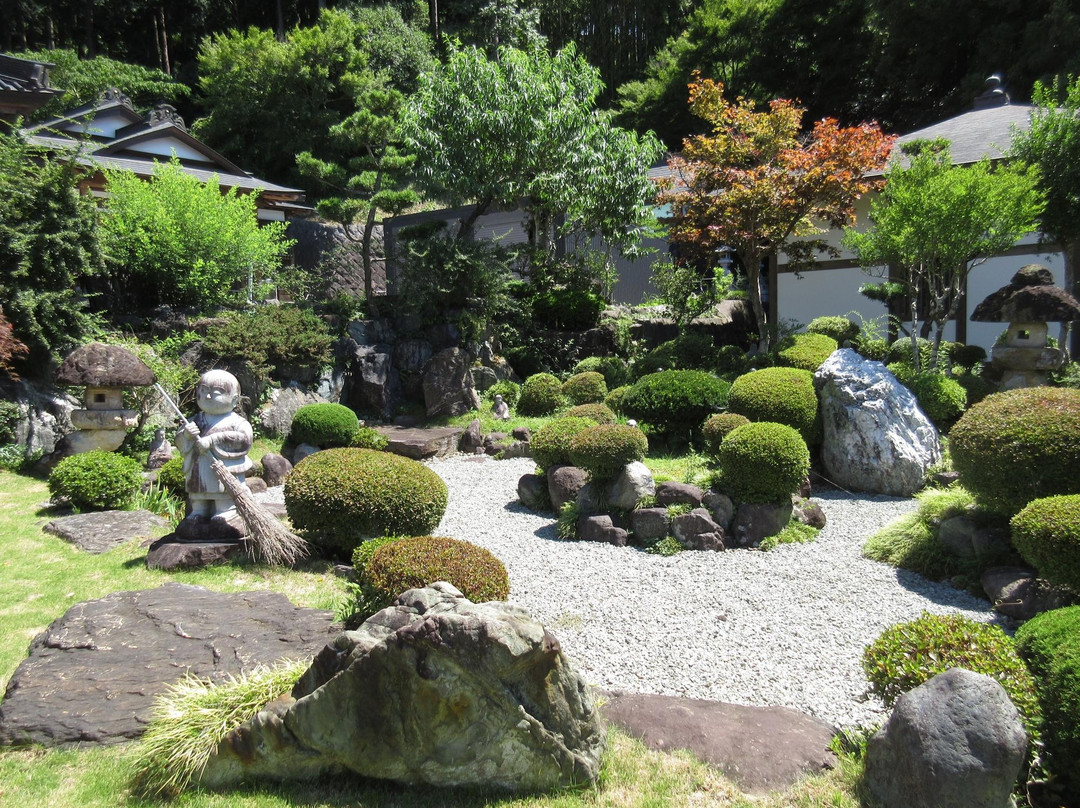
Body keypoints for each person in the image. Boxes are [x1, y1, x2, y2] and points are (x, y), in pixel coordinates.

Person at [175, 369, 253, 527]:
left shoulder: (236, 422)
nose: (208, 396)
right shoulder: (196, 420)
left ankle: (226, 510)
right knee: (197, 490)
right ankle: (199, 510)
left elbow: (245, 439)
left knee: (222, 490)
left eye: (216, 392)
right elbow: (179, 440)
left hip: (224, 466)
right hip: (198, 464)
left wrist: (213, 439)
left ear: (234, 399)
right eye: (203, 391)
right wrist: (187, 435)